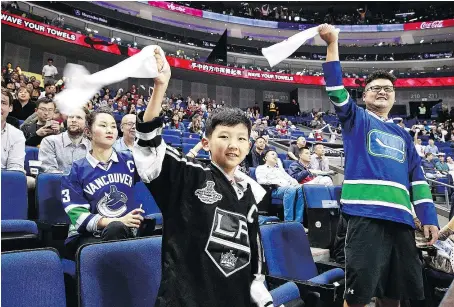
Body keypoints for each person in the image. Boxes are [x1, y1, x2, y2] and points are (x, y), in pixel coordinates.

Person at [132, 48, 275, 307]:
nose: (234, 144)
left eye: (241, 138)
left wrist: (263, 297)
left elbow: (253, 259)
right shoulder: (189, 175)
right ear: (206, 143)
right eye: (224, 136)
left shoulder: (250, 192)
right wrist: (160, 88)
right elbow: (149, 145)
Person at [319, 24, 438, 307]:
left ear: (395, 97)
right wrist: (332, 43)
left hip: (400, 220)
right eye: (375, 89)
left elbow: (417, 179)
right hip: (365, 214)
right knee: (358, 295)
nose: (382, 92)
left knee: (393, 293)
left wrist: (429, 217)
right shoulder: (356, 119)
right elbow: (335, 88)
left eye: (388, 89)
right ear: (364, 96)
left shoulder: (403, 136)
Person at [61, 107, 144, 260]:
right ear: (88, 132)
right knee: (116, 228)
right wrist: (117, 221)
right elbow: (78, 216)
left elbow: (154, 171)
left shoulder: (130, 160)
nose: (109, 130)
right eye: (103, 125)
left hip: (125, 231)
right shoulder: (75, 170)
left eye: (113, 126)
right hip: (87, 237)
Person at [256, 150, 305, 222]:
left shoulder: (279, 169)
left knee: (301, 189)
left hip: (287, 188)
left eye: (276, 155)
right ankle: (289, 221)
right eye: (273, 154)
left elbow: (290, 179)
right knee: (291, 189)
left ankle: (298, 222)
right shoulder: (261, 168)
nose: (275, 156)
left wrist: (296, 183)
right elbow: (260, 180)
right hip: (273, 189)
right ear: (266, 157)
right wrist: (276, 182)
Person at [38, 108, 91, 173]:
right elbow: (48, 170)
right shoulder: (50, 142)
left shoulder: (92, 147)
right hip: (57, 182)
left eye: (79, 117)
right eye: (71, 117)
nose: (73, 120)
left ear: (86, 123)